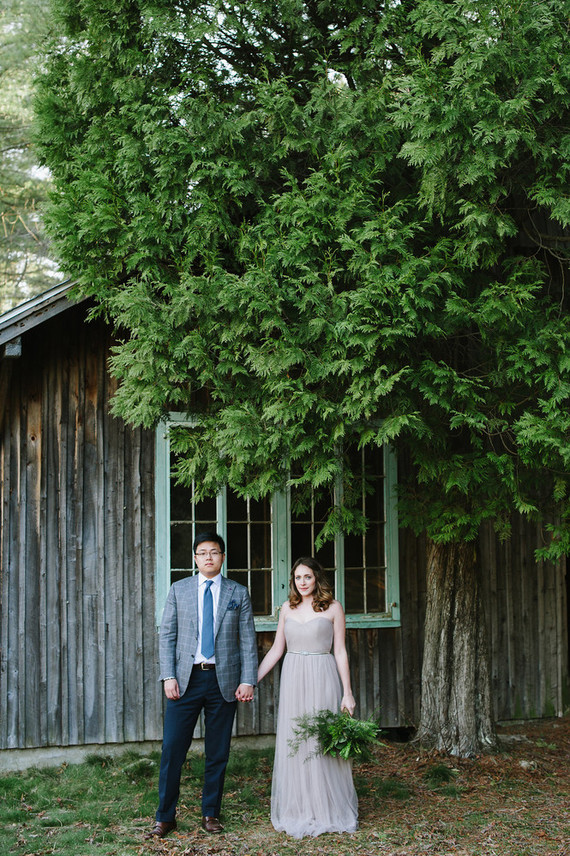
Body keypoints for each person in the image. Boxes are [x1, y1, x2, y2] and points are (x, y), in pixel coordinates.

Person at [146, 532, 258, 839]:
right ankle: (165, 817)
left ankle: (211, 813)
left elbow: (248, 641)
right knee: (172, 749)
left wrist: (248, 679)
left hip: (224, 681)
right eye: (203, 552)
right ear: (195, 558)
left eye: (214, 552)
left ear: (223, 557)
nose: (209, 557)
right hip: (185, 680)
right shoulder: (179, 589)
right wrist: (168, 676)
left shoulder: (237, 593)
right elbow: (167, 636)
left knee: (217, 752)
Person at [257, 557, 358, 838]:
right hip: (293, 676)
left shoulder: (333, 608)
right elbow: (276, 650)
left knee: (320, 738)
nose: (302, 582)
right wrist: (251, 680)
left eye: (308, 577)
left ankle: (326, 807)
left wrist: (347, 692)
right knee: (296, 739)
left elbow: (340, 651)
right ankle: (299, 807)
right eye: (298, 577)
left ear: (317, 578)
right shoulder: (287, 609)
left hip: (322, 673)